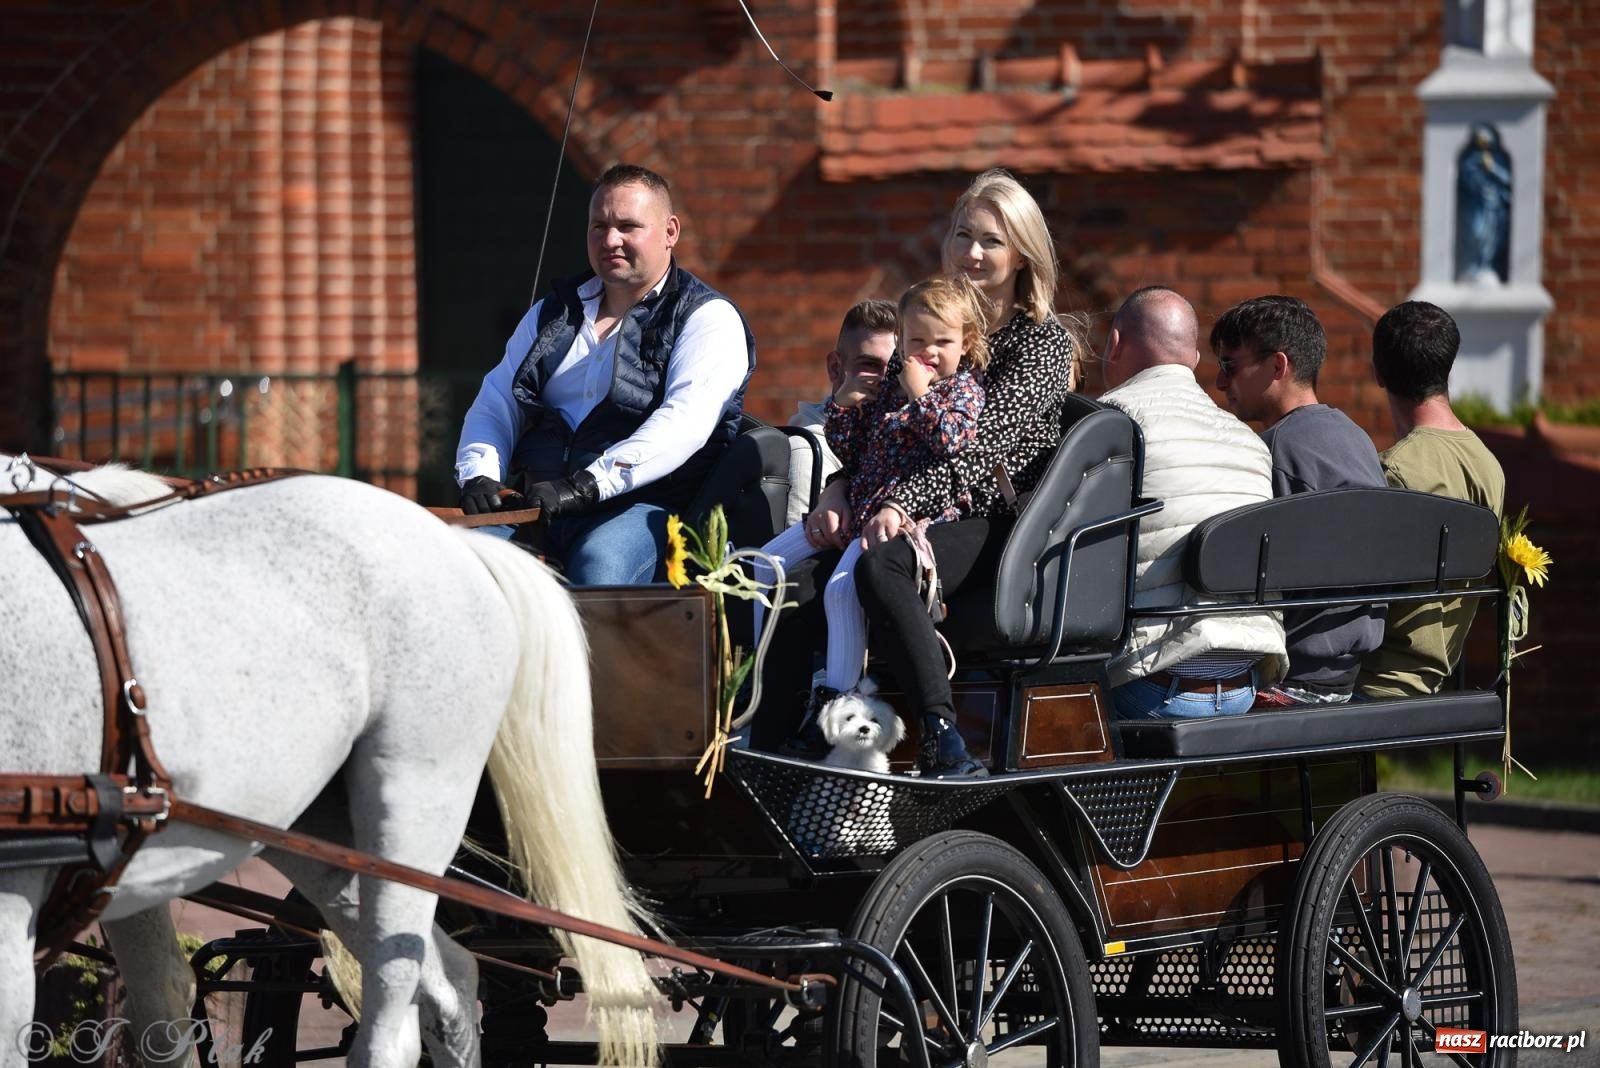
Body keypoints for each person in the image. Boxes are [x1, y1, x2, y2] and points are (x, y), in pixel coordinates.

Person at [757, 169, 1079, 778]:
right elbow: (883, 433)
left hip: (992, 517)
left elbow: (979, 454)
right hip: (902, 500)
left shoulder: (1041, 344)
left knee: (883, 563)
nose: (973, 253)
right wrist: (841, 487)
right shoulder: (926, 324)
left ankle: (941, 733)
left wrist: (897, 506)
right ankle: (780, 739)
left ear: (1022, 255)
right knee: (799, 581)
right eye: (963, 235)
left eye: (992, 240)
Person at [454, 164, 755, 584]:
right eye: (599, 226)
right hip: (537, 502)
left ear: (670, 232)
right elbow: (496, 400)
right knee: (462, 563)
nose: (610, 240)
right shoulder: (552, 311)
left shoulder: (707, 318)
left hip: (648, 508)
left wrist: (587, 485)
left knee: (599, 567)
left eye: (628, 226)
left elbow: (684, 423)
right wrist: (479, 473)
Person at [753, 277, 989, 740]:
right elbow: (851, 448)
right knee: (765, 565)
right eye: (917, 341)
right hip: (861, 502)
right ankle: (756, 689)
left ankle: (837, 705)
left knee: (842, 591)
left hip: (905, 517)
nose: (928, 353)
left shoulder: (962, 390)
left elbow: (951, 443)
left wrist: (921, 394)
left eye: (942, 342)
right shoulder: (892, 392)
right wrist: (842, 403)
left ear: (967, 344)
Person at [1098, 286, 1287, 719]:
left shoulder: (1108, 424)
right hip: (1245, 680)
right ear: (1195, 361)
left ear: (1114, 345)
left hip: (1152, 685)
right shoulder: (1249, 441)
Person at [1210, 295, 1386, 705]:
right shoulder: (1356, 437)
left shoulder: (1271, 452)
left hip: (1284, 676)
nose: (1220, 382)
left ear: (1277, 366)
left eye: (1229, 366)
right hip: (1346, 676)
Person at [1358, 301, 1505, 698]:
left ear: (1378, 373)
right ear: (1447, 368)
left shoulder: (1394, 471)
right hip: (1439, 674)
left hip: (1375, 677)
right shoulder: (1488, 465)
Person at [783, 300, 898, 527]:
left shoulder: (897, 438)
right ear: (835, 367)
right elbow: (795, 558)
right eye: (870, 365)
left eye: (897, 367)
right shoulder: (811, 450)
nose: (885, 380)